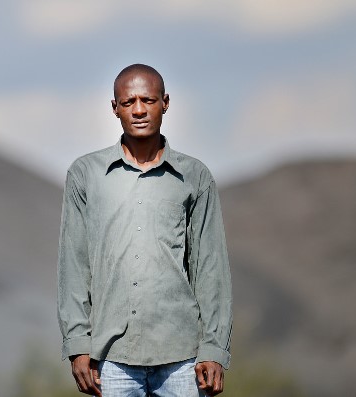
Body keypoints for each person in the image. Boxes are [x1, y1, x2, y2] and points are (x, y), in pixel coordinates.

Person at [57, 64, 232, 397]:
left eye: (148, 100)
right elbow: (74, 266)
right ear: (115, 108)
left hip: (183, 357)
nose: (138, 110)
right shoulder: (86, 174)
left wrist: (214, 347)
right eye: (128, 102)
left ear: (165, 103)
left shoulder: (195, 177)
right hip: (111, 359)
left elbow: (211, 270)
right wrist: (77, 343)